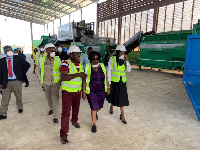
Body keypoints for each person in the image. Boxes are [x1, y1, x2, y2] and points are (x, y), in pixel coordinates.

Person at [60, 45, 87, 144]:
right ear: (70, 54)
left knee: (76, 109)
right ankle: (63, 135)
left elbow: (83, 77)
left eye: (79, 53)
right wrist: (78, 74)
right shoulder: (65, 63)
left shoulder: (80, 64)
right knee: (66, 113)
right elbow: (63, 77)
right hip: (67, 93)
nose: (79, 55)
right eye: (77, 53)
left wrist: (83, 92)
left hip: (77, 92)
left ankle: (74, 121)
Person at [82, 51, 110, 133]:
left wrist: (108, 87)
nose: (96, 60)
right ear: (90, 59)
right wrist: (83, 92)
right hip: (92, 91)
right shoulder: (87, 67)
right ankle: (94, 124)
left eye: (97, 58)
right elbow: (84, 80)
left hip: (101, 90)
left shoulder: (102, 66)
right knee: (94, 107)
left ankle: (94, 113)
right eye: (94, 59)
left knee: (100, 107)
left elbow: (106, 77)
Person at [0, 45, 30, 120]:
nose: (9, 51)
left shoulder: (18, 58)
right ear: (4, 52)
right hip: (6, 82)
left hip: (16, 81)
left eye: (10, 50)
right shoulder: (2, 61)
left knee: (18, 96)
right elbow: (0, 73)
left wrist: (21, 75)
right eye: (7, 50)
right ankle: (3, 113)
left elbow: (27, 65)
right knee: (5, 98)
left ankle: (20, 107)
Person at [107, 45, 131, 124]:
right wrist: (109, 83)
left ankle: (122, 116)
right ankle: (111, 106)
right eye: (121, 52)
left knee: (122, 98)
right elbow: (109, 72)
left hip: (122, 82)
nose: (123, 54)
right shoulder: (112, 59)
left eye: (124, 52)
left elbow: (128, 70)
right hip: (114, 82)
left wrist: (127, 61)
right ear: (117, 52)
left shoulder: (124, 60)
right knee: (113, 96)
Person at [39, 43, 61, 123]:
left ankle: (55, 116)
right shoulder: (42, 59)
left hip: (55, 83)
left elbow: (60, 70)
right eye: (51, 50)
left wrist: (60, 81)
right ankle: (51, 108)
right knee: (48, 98)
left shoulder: (58, 59)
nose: (53, 51)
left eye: (53, 50)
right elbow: (39, 70)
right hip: (46, 82)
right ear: (47, 51)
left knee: (55, 99)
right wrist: (41, 81)